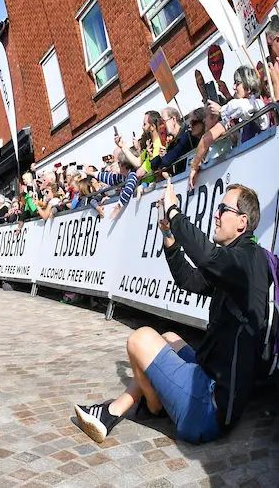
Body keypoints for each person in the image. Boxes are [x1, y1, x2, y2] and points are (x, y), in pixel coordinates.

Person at [74, 181, 270, 444]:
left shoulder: (246, 261)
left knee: (140, 339)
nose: (216, 214)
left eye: (222, 209)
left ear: (241, 222)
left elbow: (206, 256)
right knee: (168, 337)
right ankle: (117, 410)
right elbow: (189, 280)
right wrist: (169, 236)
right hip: (211, 383)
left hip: (207, 409)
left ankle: (148, 407)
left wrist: (175, 211)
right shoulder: (239, 260)